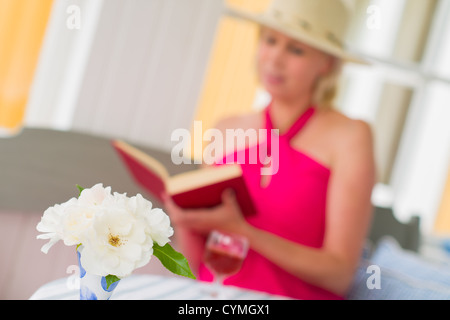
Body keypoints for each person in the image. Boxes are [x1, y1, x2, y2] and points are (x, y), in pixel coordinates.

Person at [163, 0, 376, 300]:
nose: (275, 59)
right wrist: (184, 222)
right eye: (270, 40)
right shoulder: (225, 128)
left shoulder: (351, 136)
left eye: (296, 49)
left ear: (326, 63)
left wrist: (244, 232)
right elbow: (200, 266)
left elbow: (338, 275)